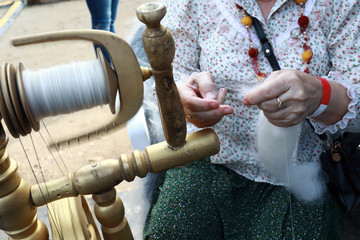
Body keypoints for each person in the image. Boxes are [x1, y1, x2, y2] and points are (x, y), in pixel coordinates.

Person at [143, 0, 360, 239]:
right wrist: (185, 102)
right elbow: (170, 77)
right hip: (208, 162)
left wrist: (319, 95)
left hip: (304, 174)